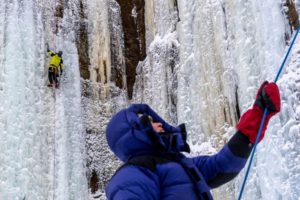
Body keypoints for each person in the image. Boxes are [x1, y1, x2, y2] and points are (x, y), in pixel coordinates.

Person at [105, 81, 281, 200]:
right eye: (150, 122)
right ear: (136, 132)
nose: (159, 124)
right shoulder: (132, 174)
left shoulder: (182, 165)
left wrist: (258, 114)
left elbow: (222, 166)